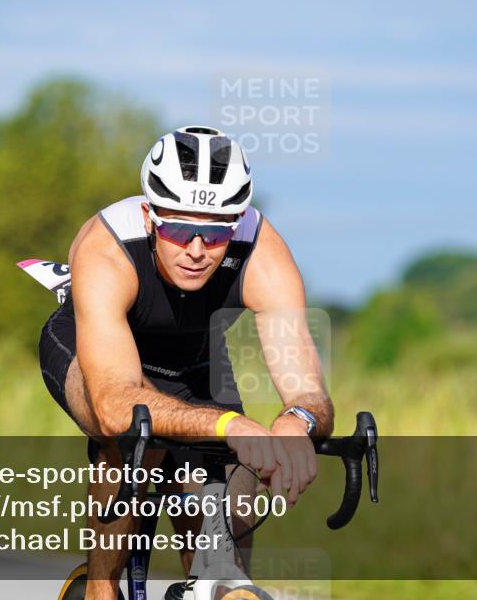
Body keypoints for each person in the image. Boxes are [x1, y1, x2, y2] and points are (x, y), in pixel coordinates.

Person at [38, 125, 334, 600]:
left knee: (227, 509)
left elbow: (308, 391)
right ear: (149, 216)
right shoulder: (106, 246)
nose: (196, 250)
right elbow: (116, 403)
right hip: (92, 352)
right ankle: (100, 589)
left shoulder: (263, 252)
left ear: (235, 222)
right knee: (134, 434)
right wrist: (232, 425)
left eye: (216, 234)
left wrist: (294, 424)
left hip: (193, 362)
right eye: (178, 229)